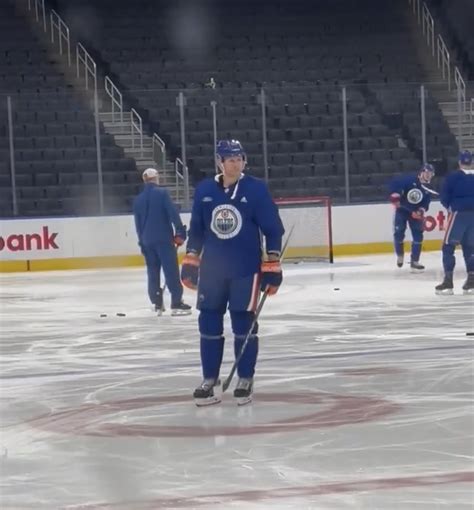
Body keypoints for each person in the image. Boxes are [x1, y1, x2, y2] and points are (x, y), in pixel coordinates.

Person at [180, 140, 285, 406]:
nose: (235, 163)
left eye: (239, 159)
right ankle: (209, 379)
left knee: (243, 323)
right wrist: (191, 260)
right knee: (208, 323)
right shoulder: (205, 190)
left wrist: (272, 265)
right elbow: (197, 230)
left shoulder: (256, 190)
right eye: (229, 159)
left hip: (245, 270)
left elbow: (273, 229)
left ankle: (245, 378)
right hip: (213, 271)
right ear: (219, 162)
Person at [133, 168, 191, 315]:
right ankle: (176, 302)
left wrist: (142, 242)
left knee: (152, 271)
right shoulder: (162, 193)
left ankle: (157, 302)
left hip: (147, 240)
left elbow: (138, 225)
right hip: (163, 239)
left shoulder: (138, 199)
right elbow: (172, 213)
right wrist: (180, 232)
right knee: (170, 270)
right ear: (156, 178)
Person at [435, 150, 474, 295]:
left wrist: (450, 208)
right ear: (471, 162)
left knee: (448, 246)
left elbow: (444, 196)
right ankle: (471, 279)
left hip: (458, 213)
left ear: (459, 162)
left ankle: (448, 281)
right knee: (470, 247)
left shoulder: (453, 177)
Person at [388, 163, 436, 271]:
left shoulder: (429, 187)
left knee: (418, 236)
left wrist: (420, 211)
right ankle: (400, 255)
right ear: (422, 172)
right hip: (402, 211)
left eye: (431, 173)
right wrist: (396, 198)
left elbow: (426, 203)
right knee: (399, 233)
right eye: (427, 172)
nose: (429, 175)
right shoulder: (410, 180)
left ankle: (415, 261)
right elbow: (399, 191)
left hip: (415, 214)